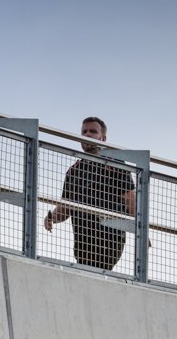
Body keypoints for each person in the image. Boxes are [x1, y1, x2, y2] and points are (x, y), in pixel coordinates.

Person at [44, 116, 137, 271]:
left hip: (109, 238)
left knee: (99, 273)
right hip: (82, 241)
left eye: (93, 131)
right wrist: (51, 217)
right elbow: (65, 206)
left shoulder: (115, 163)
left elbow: (131, 199)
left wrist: (141, 233)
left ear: (103, 138)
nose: (87, 134)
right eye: (84, 131)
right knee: (84, 275)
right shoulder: (74, 171)